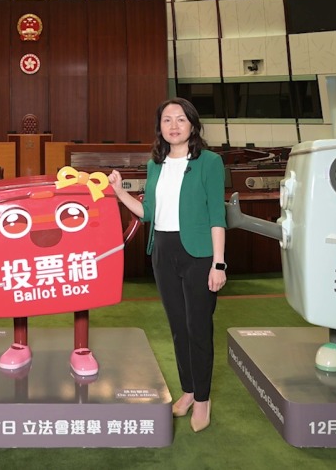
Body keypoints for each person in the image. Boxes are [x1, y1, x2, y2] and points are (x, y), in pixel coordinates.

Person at [109, 97, 226, 433]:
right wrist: (118, 191)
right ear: (159, 127)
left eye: (181, 119)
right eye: (167, 120)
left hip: (199, 254)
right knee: (178, 327)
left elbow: (217, 216)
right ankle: (188, 391)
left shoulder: (210, 162)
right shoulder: (155, 165)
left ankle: (202, 399)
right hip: (163, 250)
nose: (174, 126)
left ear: (193, 125)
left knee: (198, 328)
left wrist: (218, 264)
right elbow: (148, 212)